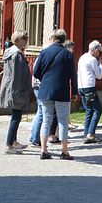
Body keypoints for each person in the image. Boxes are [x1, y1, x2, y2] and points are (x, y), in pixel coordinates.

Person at [33, 29, 77, 160]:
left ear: (53, 38)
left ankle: (44, 150)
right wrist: (74, 92)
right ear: (64, 39)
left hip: (45, 91)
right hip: (62, 91)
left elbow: (36, 72)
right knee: (63, 121)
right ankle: (64, 151)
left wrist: (45, 79)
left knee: (46, 120)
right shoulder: (67, 54)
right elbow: (73, 75)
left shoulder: (44, 52)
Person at [0, 30, 33, 154]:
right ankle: (9, 145)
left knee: (16, 116)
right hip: (16, 89)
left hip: (11, 88)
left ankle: (14, 141)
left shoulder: (10, 52)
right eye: (24, 38)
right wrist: (19, 92)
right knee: (16, 117)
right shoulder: (16, 55)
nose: (26, 41)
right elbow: (17, 76)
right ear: (18, 40)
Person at [78, 41, 102, 143]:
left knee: (89, 111)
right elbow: (99, 76)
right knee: (98, 110)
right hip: (89, 87)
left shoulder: (83, 57)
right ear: (96, 50)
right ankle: (90, 134)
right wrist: (100, 64)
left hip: (81, 86)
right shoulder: (93, 60)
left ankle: (86, 134)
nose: (99, 54)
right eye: (99, 52)